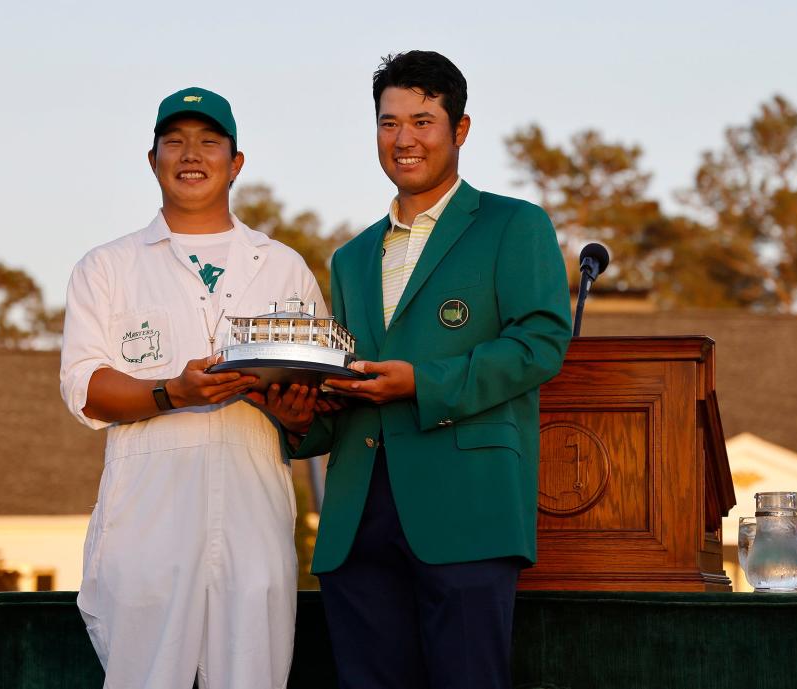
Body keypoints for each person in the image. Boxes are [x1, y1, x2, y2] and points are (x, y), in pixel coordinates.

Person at [269, 51, 572, 689]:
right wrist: (301, 422)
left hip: (468, 509)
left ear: (460, 130)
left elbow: (542, 341)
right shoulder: (350, 258)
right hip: (357, 520)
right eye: (387, 123)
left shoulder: (514, 225)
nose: (403, 139)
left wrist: (422, 382)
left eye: (423, 120)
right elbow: (350, 383)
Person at [59, 86, 324, 689]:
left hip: (255, 523)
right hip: (147, 529)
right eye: (173, 141)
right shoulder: (106, 267)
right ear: (151, 160)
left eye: (209, 141)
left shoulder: (283, 267)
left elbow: (313, 394)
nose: (190, 154)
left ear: (236, 163)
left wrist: (296, 412)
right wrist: (171, 394)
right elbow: (85, 386)